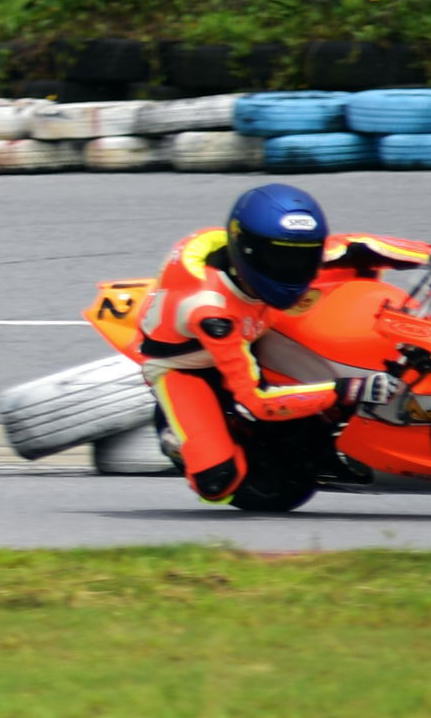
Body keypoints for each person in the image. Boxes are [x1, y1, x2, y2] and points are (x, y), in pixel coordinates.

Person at [136, 180, 392, 510]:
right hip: (189, 365)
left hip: (251, 322)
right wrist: (348, 390)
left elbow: (359, 245)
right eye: (279, 258)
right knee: (217, 483)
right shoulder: (213, 315)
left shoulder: (264, 254)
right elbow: (257, 401)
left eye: (304, 256)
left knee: (353, 266)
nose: (294, 269)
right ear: (247, 252)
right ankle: (176, 438)